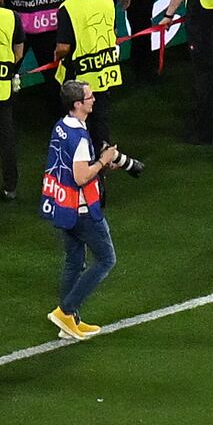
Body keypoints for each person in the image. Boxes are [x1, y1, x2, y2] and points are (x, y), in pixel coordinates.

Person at [38, 84, 132, 340]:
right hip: (81, 209)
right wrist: (102, 161)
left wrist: (97, 162)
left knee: (74, 260)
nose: (93, 99)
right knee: (106, 259)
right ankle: (66, 310)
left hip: (63, 205)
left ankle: (69, 323)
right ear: (78, 104)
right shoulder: (79, 136)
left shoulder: (62, 126)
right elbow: (80, 177)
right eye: (89, 96)